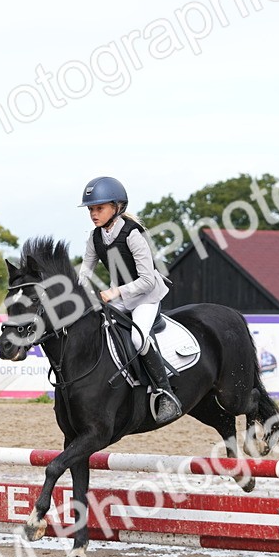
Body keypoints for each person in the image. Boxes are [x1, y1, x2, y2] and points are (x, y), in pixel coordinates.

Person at [75, 176, 181, 423]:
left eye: (99, 208)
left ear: (117, 207)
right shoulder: (95, 237)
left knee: (137, 337)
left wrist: (115, 292)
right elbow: (85, 272)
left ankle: (165, 392)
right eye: (91, 209)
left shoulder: (133, 234)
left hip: (147, 296)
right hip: (123, 298)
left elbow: (147, 280)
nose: (93, 213)